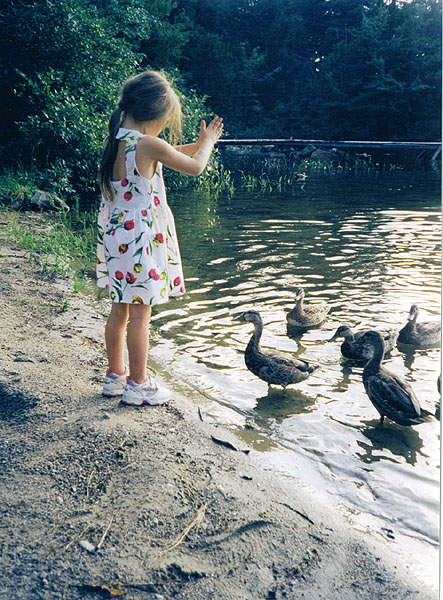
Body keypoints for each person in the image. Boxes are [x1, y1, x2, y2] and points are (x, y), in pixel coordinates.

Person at [96, 70, 223, 406]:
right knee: (140, 315)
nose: (167, 125)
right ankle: (139, 384)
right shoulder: (149, 144)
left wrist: (198, 145)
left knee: (119, 311)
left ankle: (115, 377)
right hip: (140, 241)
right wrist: (208, 143)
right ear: (155, 115)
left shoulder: (117, 139)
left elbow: (172, 153)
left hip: (116, 235)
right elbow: (195, 166)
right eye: (167, 119)